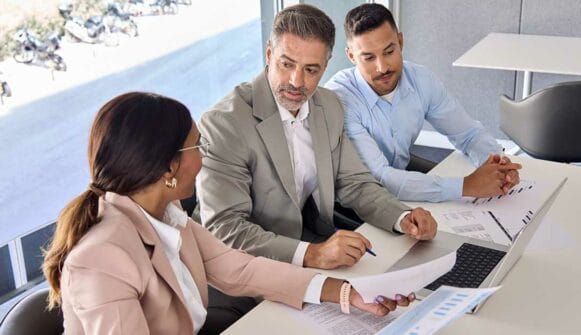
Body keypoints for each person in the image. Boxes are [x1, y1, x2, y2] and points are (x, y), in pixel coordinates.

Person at [41, 92, 414, 335]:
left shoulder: (168, 217)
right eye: (196, 147)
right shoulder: (103, 256)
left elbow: (241, 269)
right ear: (169, 167)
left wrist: (347, 293)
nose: (203, 159)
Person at [197, 3, 437, 273]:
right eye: (287, 64)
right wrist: (311, 254)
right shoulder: (224, 123)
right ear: (268, 54)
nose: (297, 82)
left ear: (326, 66)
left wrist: (402, 217)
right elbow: (225, 227)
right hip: (244, 263)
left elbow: (354, 183)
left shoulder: (329, 105)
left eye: (311, 70)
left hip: (309, 240)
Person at [325, 3, 522, 203]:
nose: (382, 67)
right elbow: (380, 178)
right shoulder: (340, 99)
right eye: (369, 58)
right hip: (354, 201)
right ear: (351, 56)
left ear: (400, 42)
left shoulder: (421, 80)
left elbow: (469, 134)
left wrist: (498, 165)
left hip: (400, 173)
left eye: (389, 52)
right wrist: (467, 185)